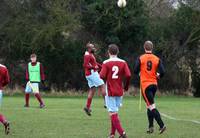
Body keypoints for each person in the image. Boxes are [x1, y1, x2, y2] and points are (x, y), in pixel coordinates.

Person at [134, 41, 166, 134]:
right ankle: (151, 127)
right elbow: (163, 71)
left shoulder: (141, 58)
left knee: (151, 106)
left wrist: (140, 73)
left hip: (146, 85)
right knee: (149, 106)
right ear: (152, 48)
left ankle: (162, 125)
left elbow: (135, 70)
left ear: (144, 47)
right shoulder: (156, 58)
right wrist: (158, 75)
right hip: (154, 85)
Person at [100, 44, 131, 138]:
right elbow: (128, 75)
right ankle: (112, 134)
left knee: (112, 113)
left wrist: (101, 71)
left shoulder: (106, 62)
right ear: (118, 52)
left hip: (110, 90)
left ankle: (122, 133)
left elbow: (102, 76)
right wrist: (126, 87)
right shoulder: (123, 62)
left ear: (108, 52)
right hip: (119, 90)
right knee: (114, 112)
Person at [83, 42, 106, 116]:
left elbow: (95, 63)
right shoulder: (87, 55)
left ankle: (87, 107)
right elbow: (85, 65)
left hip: (89, 74)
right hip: (92, 73)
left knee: (92, 90)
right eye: (92, 47)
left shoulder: (90, 54)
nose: (94, 48)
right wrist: (94, 67)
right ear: (89, 49)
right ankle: (107, 103)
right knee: (102, 85)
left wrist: (102, 66)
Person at [0, 64, 10, 135]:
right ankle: (4, 121)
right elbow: (7, 80)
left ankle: (4, 121)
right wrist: (1, 85)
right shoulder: (4, 67)